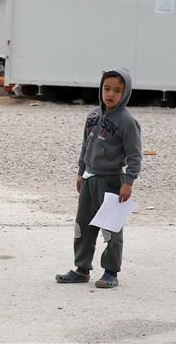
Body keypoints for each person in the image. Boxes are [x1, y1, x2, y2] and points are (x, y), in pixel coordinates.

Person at [55, 68, 142, 289]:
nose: (110, 94)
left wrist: (128, 182)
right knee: (83, 226)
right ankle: (82, 269)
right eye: (106, 88)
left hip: (111, 182)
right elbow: (86, 145)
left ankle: (111, 272)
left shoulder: (127, 122)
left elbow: (134, 155)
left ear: (126, 93)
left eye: (117, 90)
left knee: (111, 230)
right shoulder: (93, 116)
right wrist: (80, 171)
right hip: (89, 180)